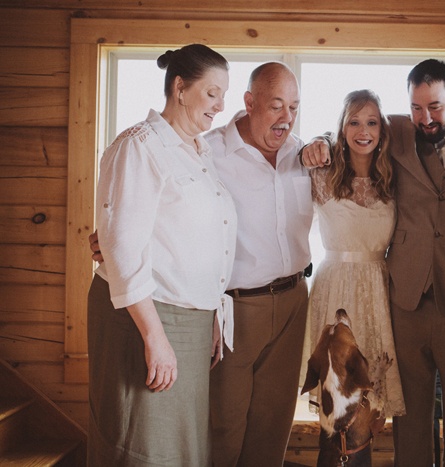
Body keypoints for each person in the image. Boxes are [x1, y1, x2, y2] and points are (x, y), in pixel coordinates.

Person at [304, 59, 445, 466]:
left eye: (434, 106)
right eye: (416, 107)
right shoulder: (396, 129)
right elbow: (348, 127)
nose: (425, 117)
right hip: (404, 303)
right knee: (408, 423)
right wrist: (318, 140)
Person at [87, 44, 236, 466]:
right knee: (142, 447)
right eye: (213, 93)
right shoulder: (139, 145)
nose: (221, 106)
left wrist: (208, 311)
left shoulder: (198, 151)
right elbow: (121, 246)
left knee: (180, 449)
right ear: (180, 88)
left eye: (224, 96)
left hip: (187, 322)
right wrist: (154, 337)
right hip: (146, 318)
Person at [205, 61, 313, 467]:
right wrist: (116, 238)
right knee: (224, 426)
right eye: (276, 106)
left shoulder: (301, 152)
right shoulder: (208, 151)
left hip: (293, 301)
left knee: (273, 426)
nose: (286, 118)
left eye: (295, 107)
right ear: (249, 102)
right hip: (236, 309)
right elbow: (167, 206)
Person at [302, 89, 406, 419]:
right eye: (355, 123)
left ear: (382, 130)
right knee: (336, 393)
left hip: (377, 289)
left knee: (371, 396)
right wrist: (317, 140)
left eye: (372, 123)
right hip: (333, 290)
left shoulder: (394, 177)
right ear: (342, 129)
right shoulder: (320, 174)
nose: (364, 132)